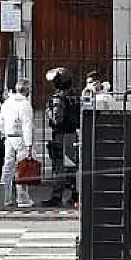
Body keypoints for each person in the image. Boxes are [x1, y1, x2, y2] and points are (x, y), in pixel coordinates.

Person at [0, 80, 35, 208]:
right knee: (22, 168)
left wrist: (5, 133)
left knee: (7, 168)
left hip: (9, 137)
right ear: (27, 91)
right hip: (21, 138)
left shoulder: (7, 103)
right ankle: (22, 198)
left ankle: (4, 198)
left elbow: (0, 123)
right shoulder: (25, 104)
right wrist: (29, 144)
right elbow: (27, 125)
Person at [44, 66, 80, 207]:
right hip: (72, 134)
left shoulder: (58, 99)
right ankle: (75, 195)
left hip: (60, 135)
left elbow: (56, 119)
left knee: (59, 167)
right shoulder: (74, 97)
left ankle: (57, 196)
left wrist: (48, 111)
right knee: (71, 166)